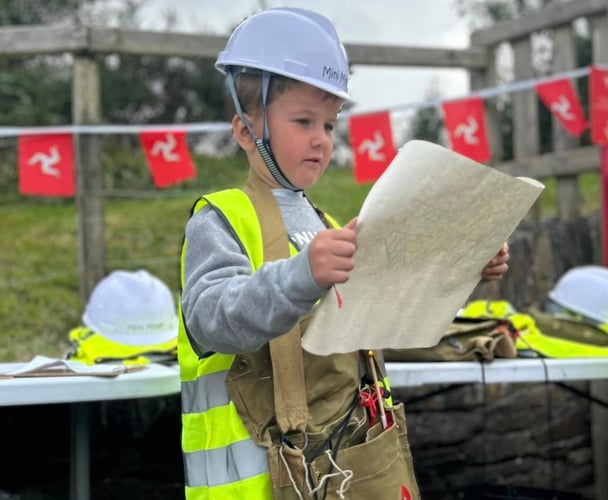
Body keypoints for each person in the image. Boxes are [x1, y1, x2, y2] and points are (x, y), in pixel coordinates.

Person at [177, 7, 510, 499]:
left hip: (343, 470)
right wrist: (301, 277)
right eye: (304, 120)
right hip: (260, 485)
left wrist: (461, 269)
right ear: (247, 131)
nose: (321, 138)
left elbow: (387, 320)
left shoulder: (326, 227)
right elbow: (210, 318)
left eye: (330, 125)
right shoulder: (220, 220)